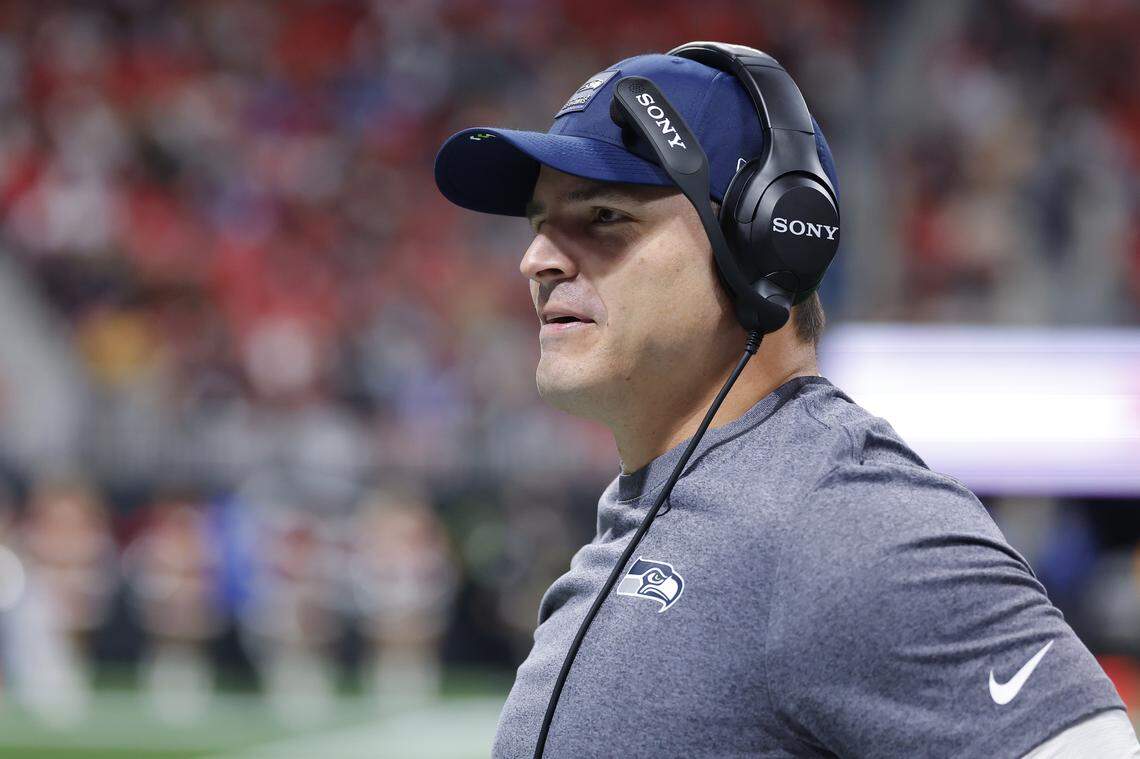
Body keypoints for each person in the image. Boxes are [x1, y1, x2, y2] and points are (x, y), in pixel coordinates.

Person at [433, 45, 1140, 758]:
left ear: (768, 241)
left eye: (605, 216)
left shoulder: (844, 518)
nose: (537, 260)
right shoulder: (659, 510)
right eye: (540, 224)